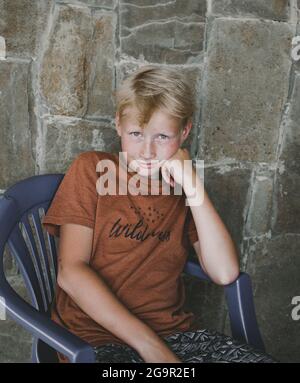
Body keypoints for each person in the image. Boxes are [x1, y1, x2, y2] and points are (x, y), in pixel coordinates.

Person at [42, 65, 277, 363]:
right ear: (118, 125)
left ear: (185, 132)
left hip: (177, 337)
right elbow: (71, 273)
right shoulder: (91, 169)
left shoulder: (181, 188)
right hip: (97, 340)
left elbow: (225, 272)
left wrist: (192, 185)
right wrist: (154, 350)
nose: (147, 151)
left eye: (163, 137)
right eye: (136, 134)